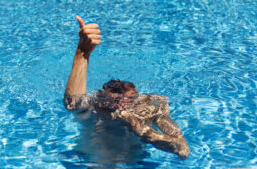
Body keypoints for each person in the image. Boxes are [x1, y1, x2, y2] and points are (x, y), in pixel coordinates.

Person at [64, 16, 190, 160]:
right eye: (112, 102)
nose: (119, 107)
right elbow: (72, 103)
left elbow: (182, 148)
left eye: (125, 101)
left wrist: (138, 127)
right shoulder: (96, 109)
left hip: (137, 159)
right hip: (94, 159)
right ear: (101, 98)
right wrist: (82, 53)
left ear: (136, 97)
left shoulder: (152, 106)